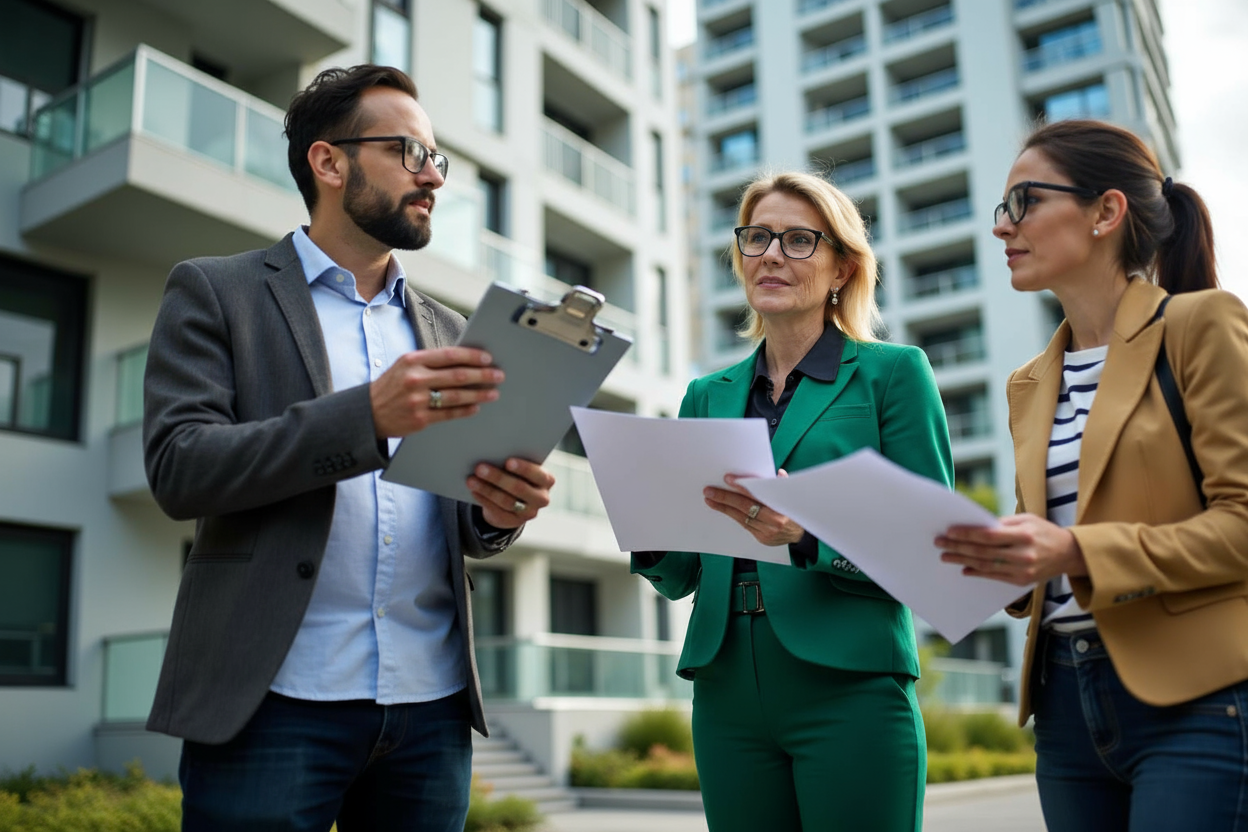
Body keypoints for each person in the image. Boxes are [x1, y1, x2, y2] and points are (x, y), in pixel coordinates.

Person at [142, 65, 556, 832]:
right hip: (270, 703)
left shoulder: (452, 331)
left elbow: (462, 521)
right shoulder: (215, 292)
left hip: (429, 709)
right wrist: (363, 417)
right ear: (328, 163)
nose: (431, 176)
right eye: (408, 152)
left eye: (437, 158)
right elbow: (179, 467)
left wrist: (499, 511)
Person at [937, 119, 1248, 831]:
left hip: (1199, 697)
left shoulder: (1201, 325)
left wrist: (1076, 551)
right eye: (1002, 208)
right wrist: (991, 561)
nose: (1003, 228)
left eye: (1025, 203)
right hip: (1064, 706)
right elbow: (1039, 553)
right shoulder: (1027, 383)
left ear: (1107, 212)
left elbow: (1242, 523)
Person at [632, 171, 953, 832]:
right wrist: (648, 526)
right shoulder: (707, 395)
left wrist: (805, 537)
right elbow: (681, 573)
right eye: (757, 237)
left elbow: (934, 550)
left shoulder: (894, 375)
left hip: (850, 682)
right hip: (724, 687)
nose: (771, 254)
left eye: (799, 240)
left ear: (842, 268)